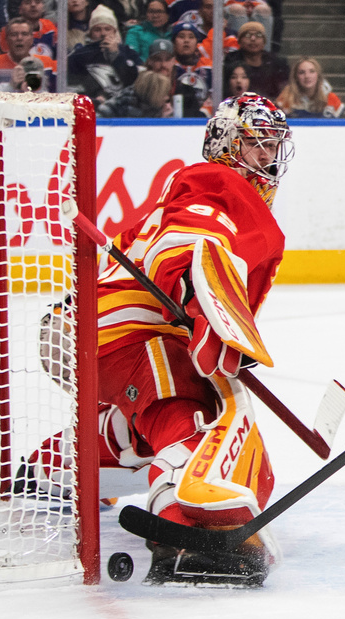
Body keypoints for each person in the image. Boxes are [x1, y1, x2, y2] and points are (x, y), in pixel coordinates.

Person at [92, 93, 294, 584]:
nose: (267, 158)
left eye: (272, 147)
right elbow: (187, 244)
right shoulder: (218, 182)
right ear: (226, 144)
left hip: (112, 334)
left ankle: (53, 470)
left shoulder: (205, 188)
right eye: (256, 145)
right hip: (140, 331)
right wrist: (210, 315)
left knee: (142, 423)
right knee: (203, 419)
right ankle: (187, 530)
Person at [67, 5, 142, 108]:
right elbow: (73, 85)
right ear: (90, 33)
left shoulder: (129, 53)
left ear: (115, 32)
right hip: (90, 107)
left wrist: (116, 55)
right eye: (97, 29)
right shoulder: (79, 55)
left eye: (107, 29)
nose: (103, 34)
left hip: (124, 107)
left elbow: (136, 81)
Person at [0, 17, 57, 93]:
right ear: (7, 40)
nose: (19, 38)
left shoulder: (47, 64)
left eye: (24, 34)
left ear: (32, 39)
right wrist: (11, 86)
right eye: (14, 34)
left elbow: (57, 96)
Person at [223, 21, 287, 99]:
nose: (253, 39)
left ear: (264, 41)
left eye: (258, 35)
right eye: (247, 35)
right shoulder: (231, 61)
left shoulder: (276, 63)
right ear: (239, 41)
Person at [275, 56, 344, 118]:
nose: (307, 76)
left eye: (312, 71)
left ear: (318, 75)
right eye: (302, 72)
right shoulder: (285, 99)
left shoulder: (331, 99)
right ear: (295, 77)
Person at [171, 19, 213, 117]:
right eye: (181, 37)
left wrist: (203, 113)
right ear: (174, 42)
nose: (186, 40)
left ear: (196, 43)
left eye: (191, 37)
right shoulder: (169, 66)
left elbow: (214, 96)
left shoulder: (208, 66)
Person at [97, 69, 173, 117]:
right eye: (163, 93)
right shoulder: (122, 108)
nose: (167, 98)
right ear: (152, 93)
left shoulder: (155, 109)